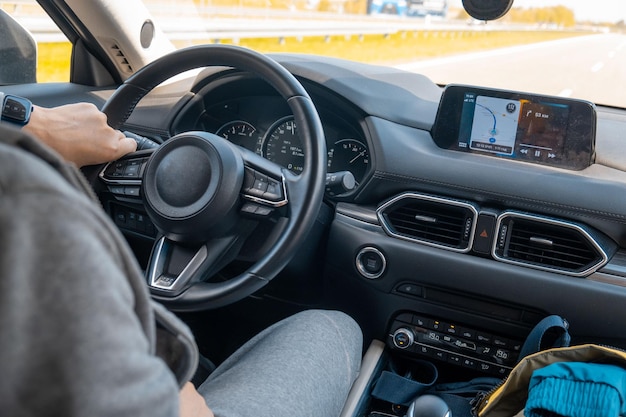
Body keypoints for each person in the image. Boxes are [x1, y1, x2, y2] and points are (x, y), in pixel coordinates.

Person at [0, 100, 363, 417]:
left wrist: (30, 123)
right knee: (333, 327)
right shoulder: (19, 189)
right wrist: (33, 125)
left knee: (203, 365)